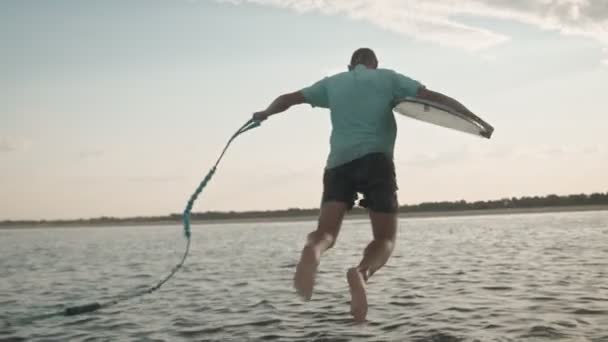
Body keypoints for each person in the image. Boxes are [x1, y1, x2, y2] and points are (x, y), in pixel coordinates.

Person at [252, 48, 479, 322]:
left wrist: (264, 113)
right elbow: (435, 99)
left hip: (339, 164)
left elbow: (288, 99)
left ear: (350, 66)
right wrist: (471, 118)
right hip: (377, 162)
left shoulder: (332, 83)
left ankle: (313, 251)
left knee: (326, 233)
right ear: (374, 64)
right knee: (384, 238)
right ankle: (361, 273)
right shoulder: (388, 79)